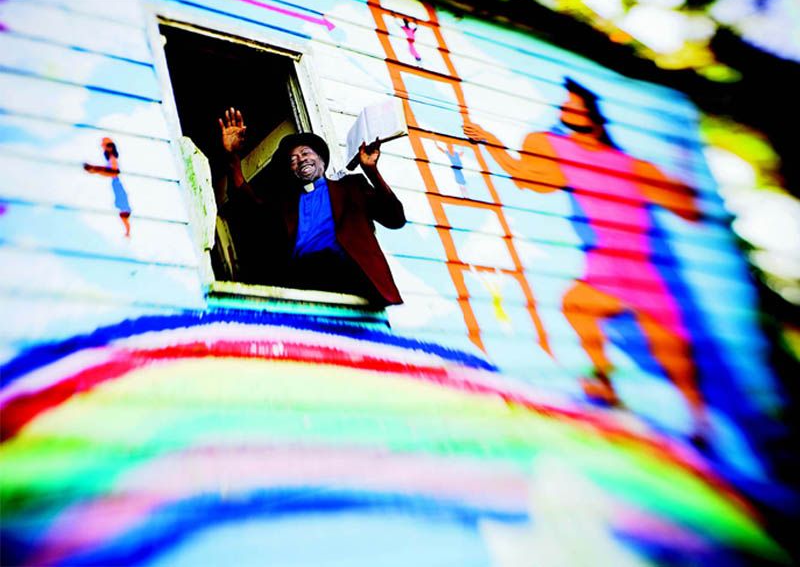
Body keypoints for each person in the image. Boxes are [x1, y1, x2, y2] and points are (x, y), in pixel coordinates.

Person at [464, 78, 707, 438]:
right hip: (606, 259)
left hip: (637, 262)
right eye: (563, 106)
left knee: (669, 345)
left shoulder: (630, 165)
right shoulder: (564, 152)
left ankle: (697, 418)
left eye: (570, 105)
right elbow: (525, 176)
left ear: (591, 114)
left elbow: (688, 211)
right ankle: (604, 383)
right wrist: (490, 141)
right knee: (577, 303)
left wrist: (683, 169)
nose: (563, 111)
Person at [216, 108, 406, 306]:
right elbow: (248, 209)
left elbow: (395, 218)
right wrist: (233, 158)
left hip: (349, 277)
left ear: (322, 160)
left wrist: (371, 171)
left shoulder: (351, 187)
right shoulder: (286, 205)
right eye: (293, 159)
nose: (301, 159)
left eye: (306, 152)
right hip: (302, 280)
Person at [83, 137, 131, 237]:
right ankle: (92, 169)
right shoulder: (112, 159)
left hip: (115, 178)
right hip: (115, 180)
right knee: (100, 170)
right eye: (104, 147)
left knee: (101, 170)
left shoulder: (112, 159)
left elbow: (113, 171)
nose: (104, 148)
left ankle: (92, 169)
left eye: (105, 146)